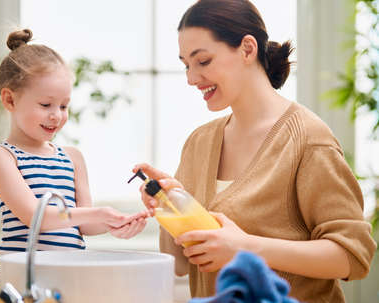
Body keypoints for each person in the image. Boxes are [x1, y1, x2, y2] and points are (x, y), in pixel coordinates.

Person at [134, 0, 377, 302]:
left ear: (247, 49)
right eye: (186, 65)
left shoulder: (308, 139)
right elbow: (182, 266)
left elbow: (353, 256)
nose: (191, 78)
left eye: (203, 61)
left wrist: (247, 247)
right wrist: (170, 206)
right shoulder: (199, 142)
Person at [0, 29, 148, 299]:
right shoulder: (2, 157)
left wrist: (116, 223)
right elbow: (34, 215)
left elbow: (84, 225)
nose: (56, 116)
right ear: (9, 99)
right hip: (18, 285)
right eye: (46, 104)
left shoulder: (72, 157)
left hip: (68, 282)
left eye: (63, 106)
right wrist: (99, 214)